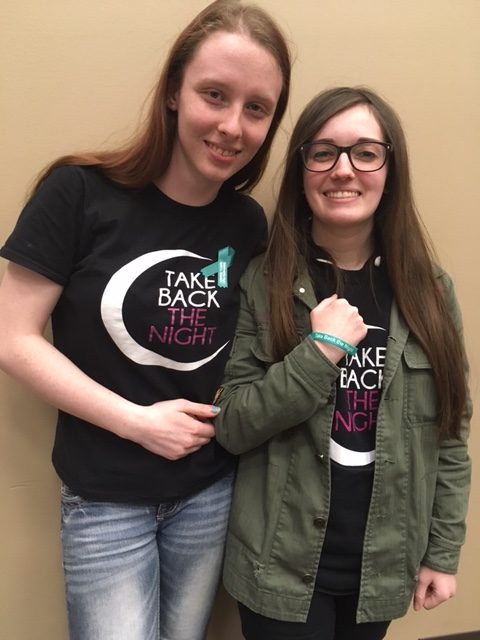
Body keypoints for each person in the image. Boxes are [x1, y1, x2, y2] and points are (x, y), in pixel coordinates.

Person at [0, 2, 291, 639]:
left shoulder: (246, 225)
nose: (231, 126)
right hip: (105, 500)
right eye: (213, 95)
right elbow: (11, 339)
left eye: (257, 108)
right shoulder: (77, 192)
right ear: (171, 92)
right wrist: (137, 424)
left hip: (210, 493)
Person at [213, 86, 472, 640]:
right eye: (323, 152)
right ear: (303, 168)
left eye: (366, 152)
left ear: (389, 167)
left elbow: (450, 436)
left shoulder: (428, 291)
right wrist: (319, 354)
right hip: (279, 566)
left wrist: (443, 553)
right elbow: (232, 425)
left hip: (383, 564)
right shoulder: (265, 280)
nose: (343, 170)